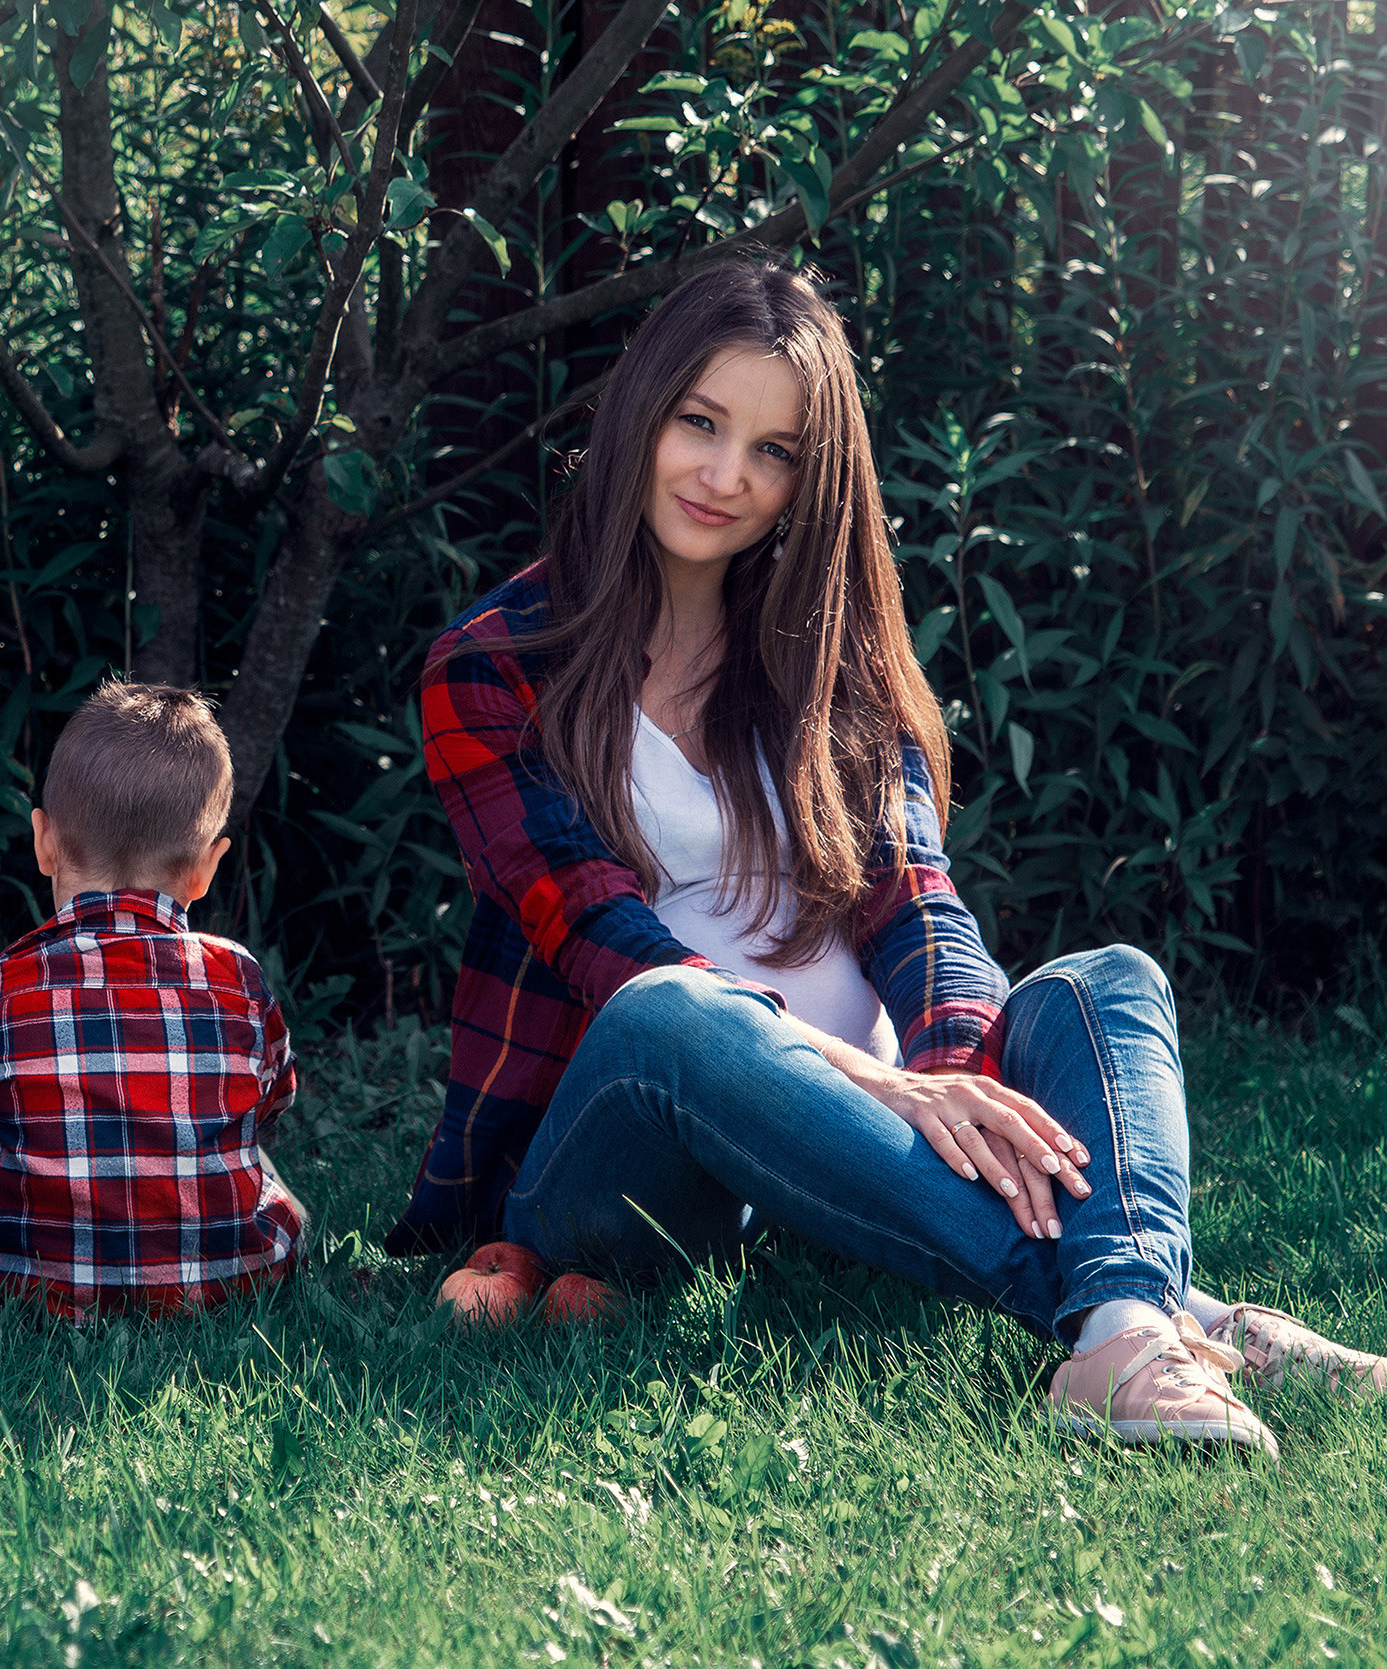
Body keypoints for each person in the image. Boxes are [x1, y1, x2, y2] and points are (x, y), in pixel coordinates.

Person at [389, 262, 1385, 1454]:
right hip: (628, 1154)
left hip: (858, 1153)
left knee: (1105, 978)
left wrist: (959, 1080)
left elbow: (921, 910)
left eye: (775, 451)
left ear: (815, 481)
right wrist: (892, 1087)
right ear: (638, 413)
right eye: (698, 423)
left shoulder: (831, 663)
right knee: (676, 1011)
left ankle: (1118, 1328)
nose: (724, 476)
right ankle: (1174, 1311)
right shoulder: (493, 666)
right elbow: (604, 947)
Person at [0, 682, 302, 1319]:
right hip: (229, 1279)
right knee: (278, 1189)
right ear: (207, 868)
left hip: (22, 1291)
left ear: (43, 842)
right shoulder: (235, 977)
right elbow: (271, 1102)